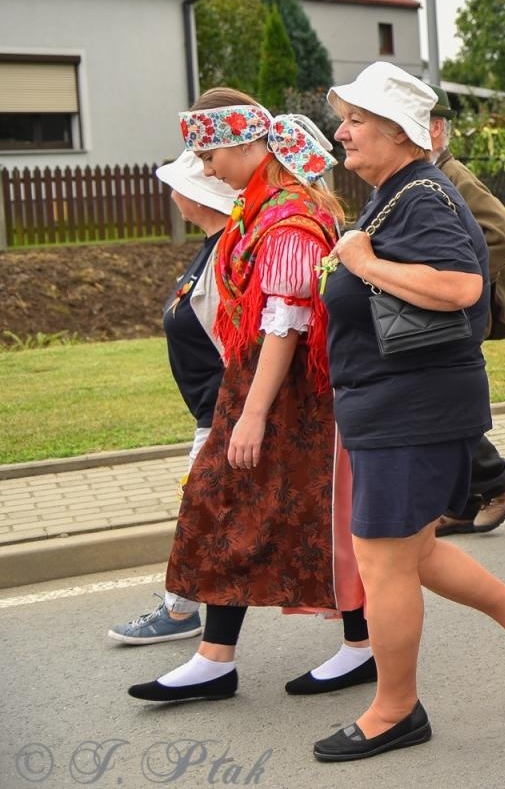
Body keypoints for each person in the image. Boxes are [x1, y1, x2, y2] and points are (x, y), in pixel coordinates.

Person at [315, 62, 505, 761]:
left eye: (356, 120)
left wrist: (363, 264)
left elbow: (460, 284)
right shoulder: (395, 194)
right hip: (393, 408)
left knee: (384, 562)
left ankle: (396, 711)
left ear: (399, 131)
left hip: (411, 412)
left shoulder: (423, 195)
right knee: (414, 552)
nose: (343, 132)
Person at [130, 91, 371, 703]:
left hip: (292, 398)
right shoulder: (261, 209)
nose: (206, 169)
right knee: (244, 508)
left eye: (211, 155)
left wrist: (253, 415)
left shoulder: (289, 216)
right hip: (262, 388)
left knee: (299, 514)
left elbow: (284, 324)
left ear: (245, 145)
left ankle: (358, 646)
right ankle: (219, 658)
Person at [108, 151, 236, 645]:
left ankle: (181, 612)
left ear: (199, 198)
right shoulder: (211, 246)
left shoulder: (226, 254)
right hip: (214, 411)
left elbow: (240, 341)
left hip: (225, 413)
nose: (171, 194)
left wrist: (240, 412)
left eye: (175, 186)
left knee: (199, 505)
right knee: (220, 511)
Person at [427, 100, 505, 536]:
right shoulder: (434, 176)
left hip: (458, 313)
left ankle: (497, 479)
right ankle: (465, 502)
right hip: (447, 313)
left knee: (443, 409)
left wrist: (456, 278)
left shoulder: (452, 176)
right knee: (441, 408)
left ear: (434, 129)